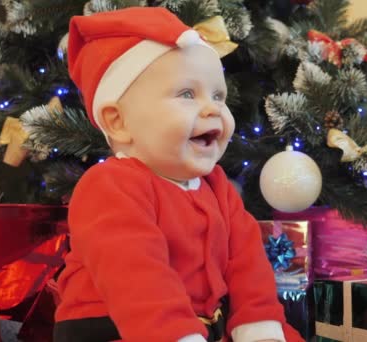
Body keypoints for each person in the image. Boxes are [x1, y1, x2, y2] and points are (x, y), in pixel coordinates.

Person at [53, 7, 304, 342]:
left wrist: (260, 327)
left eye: (219, 95)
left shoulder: (217, 187)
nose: (214, 108)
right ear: (118, 122)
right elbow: (136, 278)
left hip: (202, 326)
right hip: (121, 328)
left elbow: (248, 267)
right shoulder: (110, 186)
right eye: (187, 94)